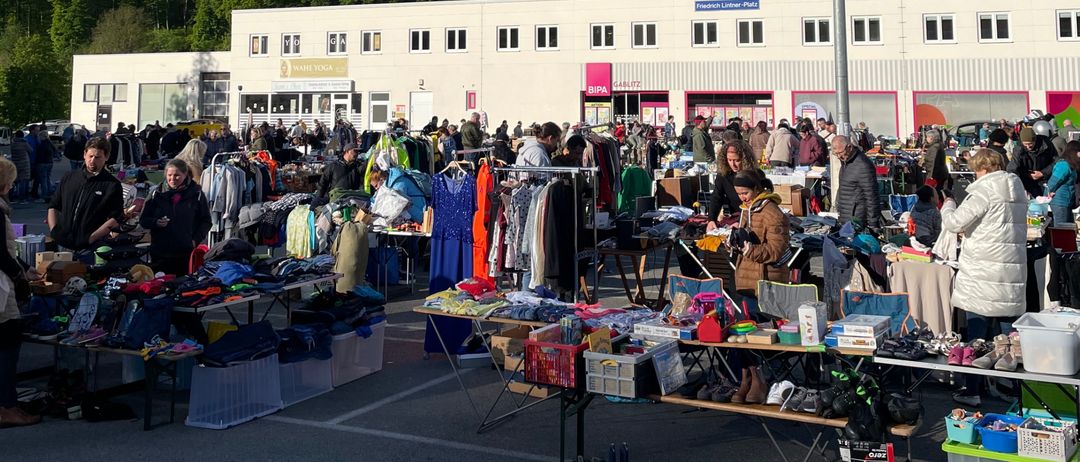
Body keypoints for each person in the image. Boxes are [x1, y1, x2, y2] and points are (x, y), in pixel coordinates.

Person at [942, 149, 1027, 406]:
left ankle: (973, 389)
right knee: (1009, 339)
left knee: (976, 336)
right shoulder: (1017, 189)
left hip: (982, 271)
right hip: (1010, 272)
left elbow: (956, 223)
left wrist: (947, 206)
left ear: (983, 169)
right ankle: (1011, 388)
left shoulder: (983, 190)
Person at [0, 156, 38, 428]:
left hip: (5, 277)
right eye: (10, 182)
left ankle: (8, 403)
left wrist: (24, 267)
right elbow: (1, 254)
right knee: (8, 344)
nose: (12, 187)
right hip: (2, 285)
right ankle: (7, 406)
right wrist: (19, 276)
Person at [48, 137, 124, 251]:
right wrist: (53, 230)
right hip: (62, 243)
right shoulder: (69, 177)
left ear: (106, 157)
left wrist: (91, 238)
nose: (92, 161)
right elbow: (53, 205)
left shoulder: (112, 185)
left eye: (97, 157)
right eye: (90, 156)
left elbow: (115, 218)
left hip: (90, 246)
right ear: (84, 154)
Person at [138, 159, 211, 275]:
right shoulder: (156, 194)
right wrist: (156, 222)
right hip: (160, 253)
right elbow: (143, 220)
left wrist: (194, 240)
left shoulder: (196, 194)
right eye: (169, 175)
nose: (172, 179)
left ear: (185, 175)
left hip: (184, 253)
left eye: (177, 175)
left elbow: (206, 221)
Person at [731, 169, 791, 296]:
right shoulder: (747, 210)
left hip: (767, 282)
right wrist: (733, 243)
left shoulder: (773, 214)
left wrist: (751, 250)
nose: (742, 197)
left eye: (745, 193)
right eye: (738, 194)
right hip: (747, 280)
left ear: (756, 188)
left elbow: (776, 250)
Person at [833, 135, 882, 229]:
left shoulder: (863, 165)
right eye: (836, 154)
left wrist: (873, 224)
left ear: (849, 147)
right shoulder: (845, 161)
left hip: (857, 217)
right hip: (846, 215)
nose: (839, 157)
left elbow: (871, 196)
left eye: (840, 153)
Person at [708, 140, 758, 230]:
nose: (733, 164)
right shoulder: (723, 175)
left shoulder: (754, 175)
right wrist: (711, 219)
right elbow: (716, 196)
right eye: (729, 160)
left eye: (737, 160)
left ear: (744, 159)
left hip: (753, 218)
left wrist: (741, 221)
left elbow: (756, 203)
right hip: (734, 216)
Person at [1008, 127, 1057, 198]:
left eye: (1030, 144)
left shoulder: (1046, 144)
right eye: (1025, 144)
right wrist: (1019, 186)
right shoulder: (1018, 149)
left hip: (1045, 180)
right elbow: (1013, 168)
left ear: (1035, 140)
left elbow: (1056, 161)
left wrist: (1043, 173)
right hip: (1027, 182)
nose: (1028, 147)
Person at [1046, 141, 1080, 225]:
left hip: (1067, 202)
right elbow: (1053, 182)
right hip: (1060, 203)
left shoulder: (1072, 165)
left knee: (1069, 228)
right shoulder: (1064, 166)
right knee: (1062, 228)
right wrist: (1047, 194)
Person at [32, 131, 56, 201]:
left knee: (43, 180)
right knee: (47, 178)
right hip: (50, 162)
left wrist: (36, 162)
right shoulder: (50, 143)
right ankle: (49, 193)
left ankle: (45, 195)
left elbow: (40, 155)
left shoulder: (42, 145)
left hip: (42, 163)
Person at [8, 132, 30, 204]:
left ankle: (11, 197)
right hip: (24, 164)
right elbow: (31, 150)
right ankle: (22, 198)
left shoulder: (13, 144)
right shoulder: (24, 143)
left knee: (14, 180)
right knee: (23, 181)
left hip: (15, 163)